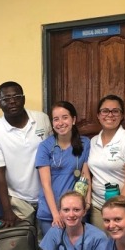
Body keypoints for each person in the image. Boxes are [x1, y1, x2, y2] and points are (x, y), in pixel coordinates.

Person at [0, 81, 53, 227]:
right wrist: (7, 210)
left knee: (48, 243)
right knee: (24, 244)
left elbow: (53, 154)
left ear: (23, 98)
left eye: (16, 96)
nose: (12, 101)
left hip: (47, 195)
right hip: (18, 200)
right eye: (6, 99)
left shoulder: (42, 119)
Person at [87, 95, 125, 230]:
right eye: (105, 111)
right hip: (98, 207)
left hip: (123, 208)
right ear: (98, 115)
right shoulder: (93, 141)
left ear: (122, 115)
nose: (110, 115)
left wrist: (117, 209)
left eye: (115, 111)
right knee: (102, 248)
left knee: (123, 249)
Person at [36, 101, 91, 236]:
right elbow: (46, 184)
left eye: (65, 117)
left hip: (75, 211)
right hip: (51, 212)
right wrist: (56, 214)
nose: (60, 123)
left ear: (73, 119)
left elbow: (86, 176)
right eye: (56, 119)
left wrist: (87, 204)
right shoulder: (45, 146)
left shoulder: (85, 143)